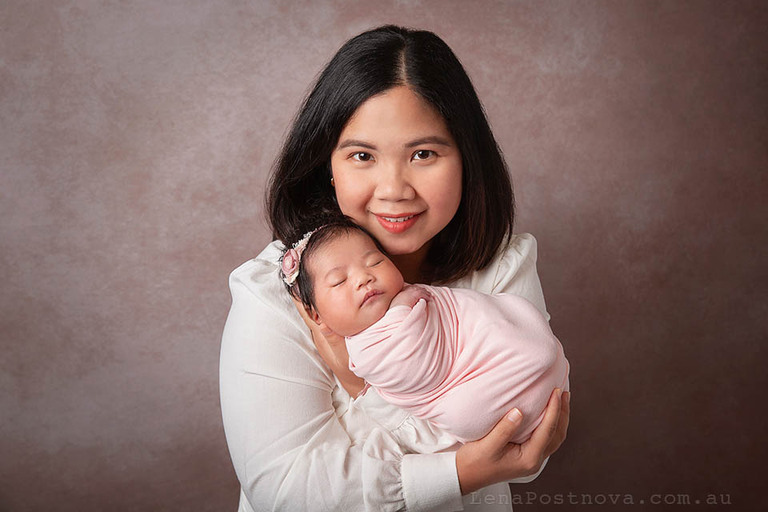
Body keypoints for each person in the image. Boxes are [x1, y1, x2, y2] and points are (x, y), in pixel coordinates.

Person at [220, 25, 570, 512]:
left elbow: (530, 445)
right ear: (328, 165)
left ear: (467, 159)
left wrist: (361, 388)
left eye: (423, 154)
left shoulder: (502, 264)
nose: (393, 189)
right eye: (362, 155)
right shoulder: (273, 288)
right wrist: (463, 469)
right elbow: (287, 494)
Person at [279, 217, 570, 445]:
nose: (363, 278)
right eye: (339, 281)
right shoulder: (366, 352)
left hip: (517, 357)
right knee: (466, 413)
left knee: (511, 320)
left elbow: (462, 316)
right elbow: (417, 369)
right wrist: (408, 305)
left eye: (375, 262)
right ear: (316, 315)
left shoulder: (503, 259)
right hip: (487, 402)